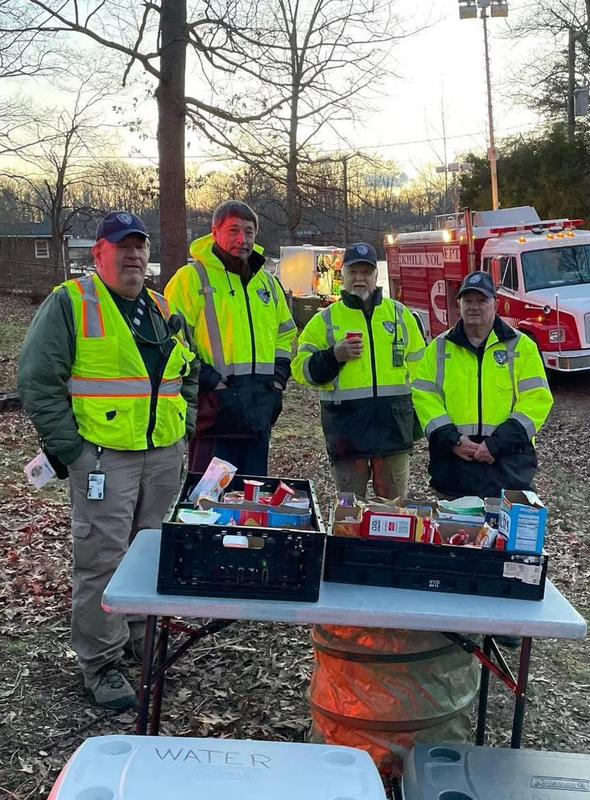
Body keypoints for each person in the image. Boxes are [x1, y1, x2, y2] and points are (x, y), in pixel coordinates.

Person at [17, 211, 198, 711]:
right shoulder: (71, 303)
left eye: (140, 246)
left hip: (161, 455)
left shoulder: (162, 308)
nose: (134, 255)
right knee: (102, 560)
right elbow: (37, 380)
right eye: (123, 247)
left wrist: (184, 426)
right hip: (103, 457)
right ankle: (100, 662)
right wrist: (72, 451)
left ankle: (139, 634)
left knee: (149, 552)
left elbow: (190, 371)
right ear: (99, 253)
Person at [165, 201, 296, 475]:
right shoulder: (191, 279)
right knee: (208, 496)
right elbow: (171, 340)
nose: (242, 240)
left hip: (259, 411)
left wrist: (278, 380)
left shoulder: (268, 283)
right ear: (215, 233)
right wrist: (211, 380)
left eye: (249, 232)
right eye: (233, 230)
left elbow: (285, 334)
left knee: (252, 495)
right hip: (215, 412)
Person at [292, 242, 425, 498]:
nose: (359, 278)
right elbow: (301, 370)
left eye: (366, 272)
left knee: (394, 511)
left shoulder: (399, 316)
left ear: (376, 275)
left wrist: (416, 423)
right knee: (350, 511)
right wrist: (334, 356)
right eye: (353, 272)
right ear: (343, 275)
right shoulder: (325, 320)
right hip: (346, 433)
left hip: (393, 432)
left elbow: (423, 374)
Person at [412, 271, 554, 499]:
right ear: (459, 305)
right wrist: (453, 441)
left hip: (508, 469)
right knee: (454, 523)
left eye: (481, 300)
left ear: (495, 305)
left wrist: (496, 445)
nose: (474, 307)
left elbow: (537, 400)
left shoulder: (522, 347)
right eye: (468, 300)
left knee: (505, 525)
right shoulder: (438, 349)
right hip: (454, 470)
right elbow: (424, 398)